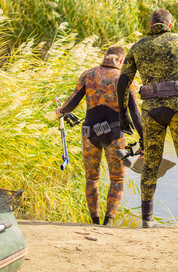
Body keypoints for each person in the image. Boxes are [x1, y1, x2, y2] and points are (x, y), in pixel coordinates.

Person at [117, 9, 178, 228]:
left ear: (150, 25)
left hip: (151, 112)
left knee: (150, 164)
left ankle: (147, 220)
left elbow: (123, 82)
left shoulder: (138, 47)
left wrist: (123, 113)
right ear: (170, 25)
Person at [56, 45, 142, 226]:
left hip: (90, 135)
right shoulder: (125, 79)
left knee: (92, 178)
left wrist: (60, 111)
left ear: (106, 56)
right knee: (117, 178)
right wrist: (145, 140)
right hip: (115, 135)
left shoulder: (87, 75)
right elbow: (135, 113)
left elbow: (71, 104)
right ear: (120, 60)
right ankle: (108, 222)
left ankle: (94, 222)